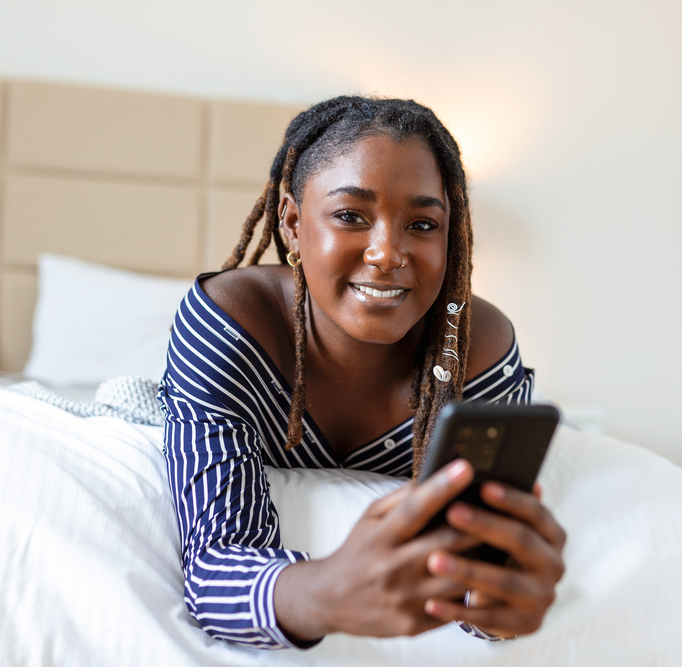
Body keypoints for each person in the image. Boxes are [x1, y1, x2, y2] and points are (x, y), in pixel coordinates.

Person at [158, 96, 566, 649]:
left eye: (422, 224)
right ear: (293, 222)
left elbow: (476, 577)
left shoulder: (477, 353)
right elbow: (214, 567)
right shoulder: (233, 325)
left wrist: (499, 605)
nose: (387, 253)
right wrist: (329, 589)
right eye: (351, 216)